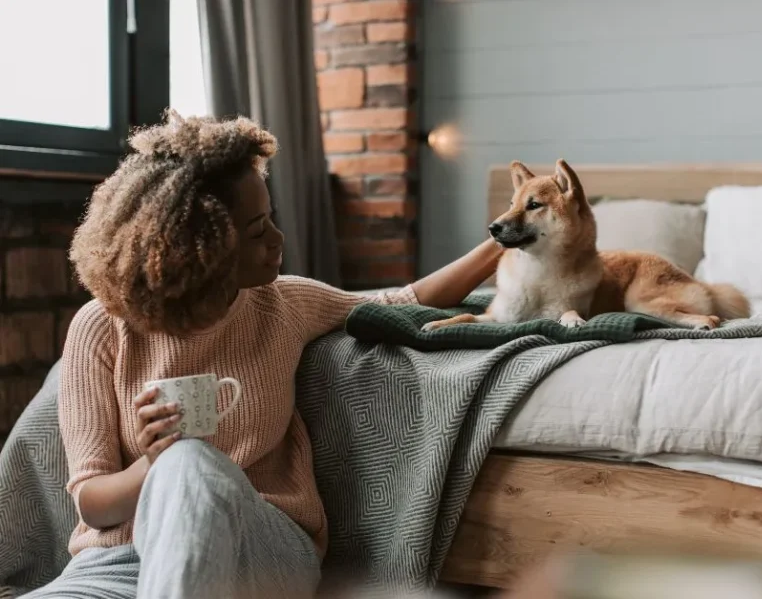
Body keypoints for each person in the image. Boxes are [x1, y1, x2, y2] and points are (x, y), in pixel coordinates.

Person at [22, 111, 502, 599]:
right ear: (197, 248)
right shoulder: (101, 329)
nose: (278, 239)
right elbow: (94, 506)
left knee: (190, 462)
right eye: (256, 231)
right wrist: (151, 462)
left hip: (260, 554)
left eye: (270, 219)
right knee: (177, 463)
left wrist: (504, 243)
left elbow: (405, 301)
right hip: (117, 567)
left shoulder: (285, 305)